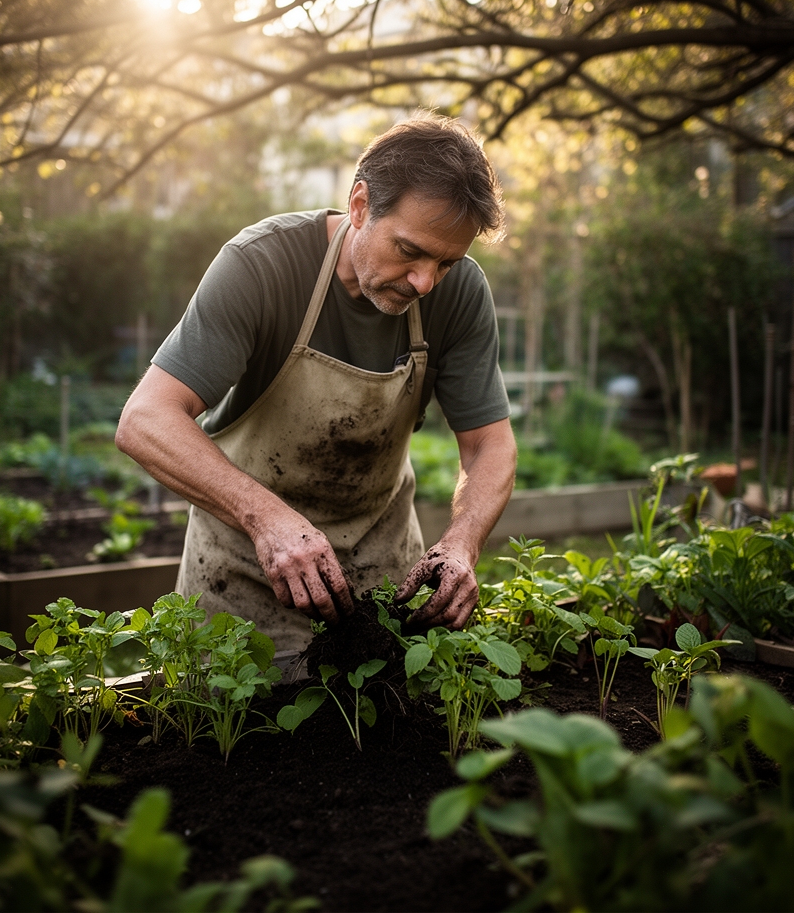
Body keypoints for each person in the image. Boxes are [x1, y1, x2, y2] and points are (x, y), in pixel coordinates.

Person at [116, 115, 517, 653]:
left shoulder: (461, 293)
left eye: (446, 262)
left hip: (381, 583)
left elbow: (490, 442)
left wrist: (462, 544)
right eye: (409, 251)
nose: (425, 281)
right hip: (244, 584)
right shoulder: (261, 266)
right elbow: (146, 419)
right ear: (360, 205)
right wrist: (267, 520)